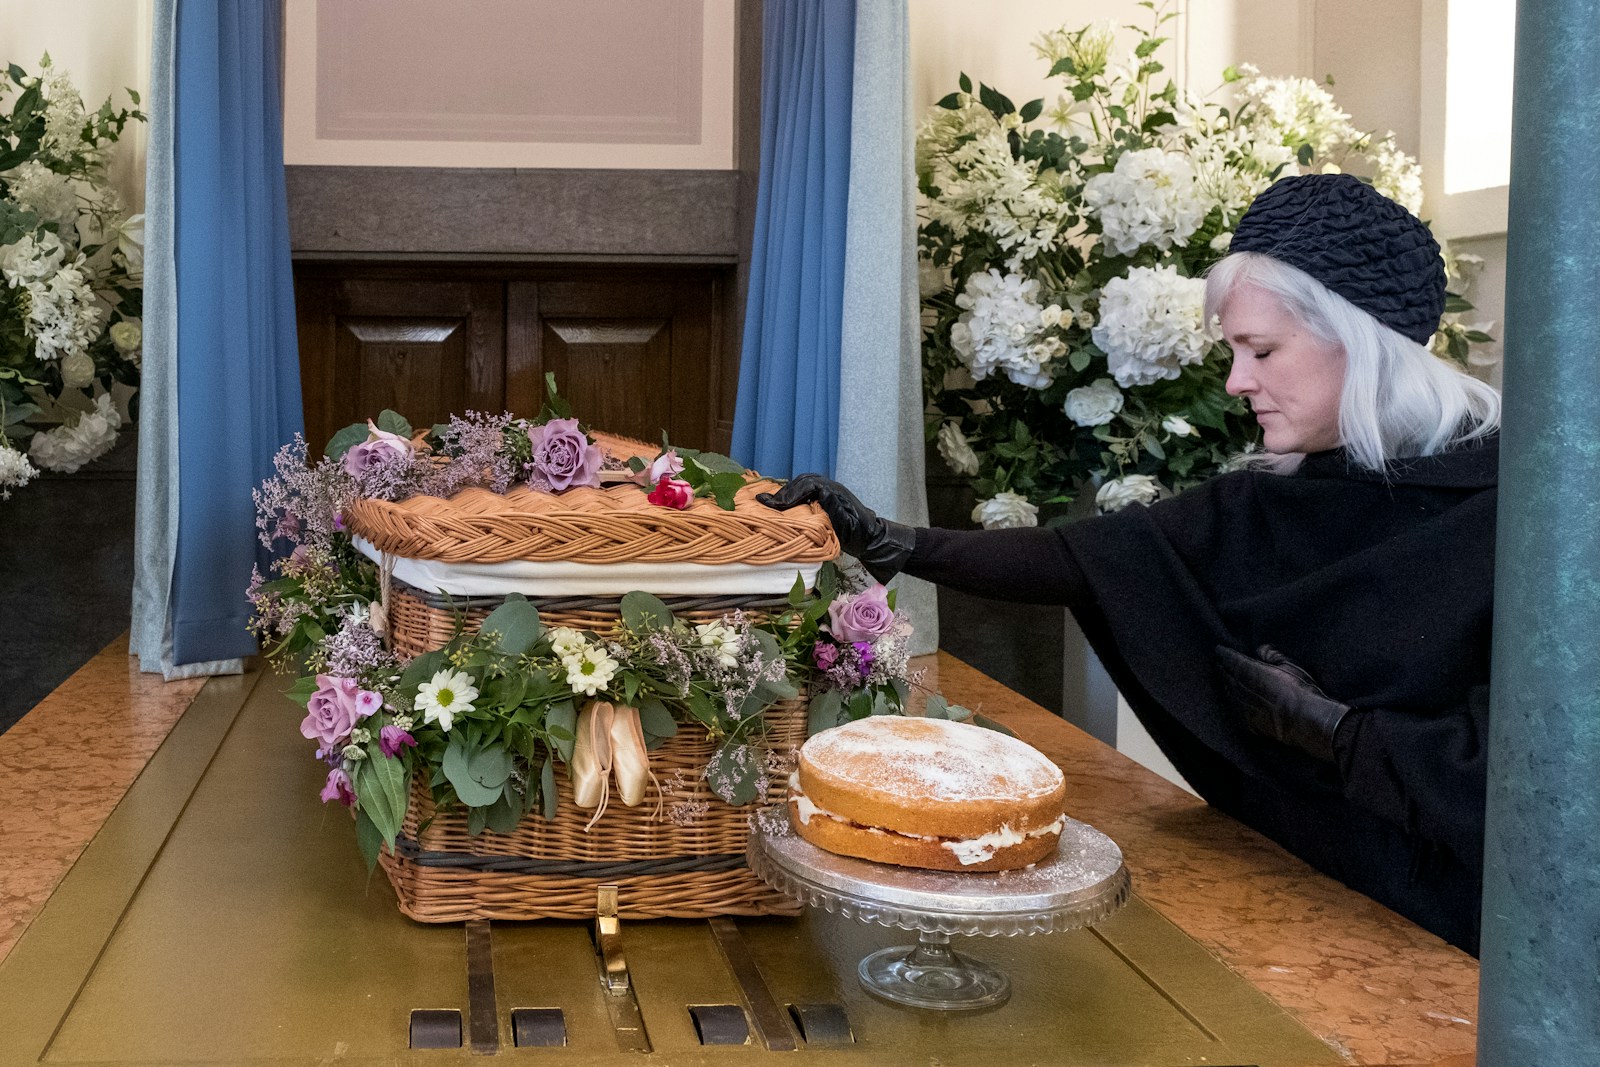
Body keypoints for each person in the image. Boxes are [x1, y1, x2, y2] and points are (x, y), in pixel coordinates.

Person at [761, 173, 1501, 955]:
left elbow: (1532, 785)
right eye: (1233, 350)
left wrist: (1344, 735)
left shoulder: (1508, 516)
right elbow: (1089, 560)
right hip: (1305, 890)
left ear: (1361, 342)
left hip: (1451, 934)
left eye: (1263, 350)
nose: (1236, 381)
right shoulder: (1282, 493)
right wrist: (895, 542)